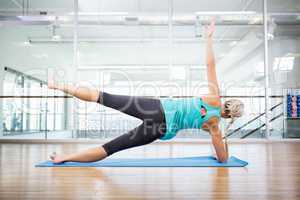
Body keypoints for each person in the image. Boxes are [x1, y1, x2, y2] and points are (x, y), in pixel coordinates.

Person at [49, 19, 244, 164]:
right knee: (111, 148)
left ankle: (59, 85)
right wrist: (225, 142)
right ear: (230, 117)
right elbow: (223, 159)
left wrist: (208, 39)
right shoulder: (215, 127)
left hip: (156, 107)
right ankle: (63, 158)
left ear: (228, 102)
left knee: (102, 97)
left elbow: (210, 65)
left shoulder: (214, 98)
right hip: (161, 129)